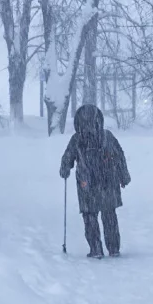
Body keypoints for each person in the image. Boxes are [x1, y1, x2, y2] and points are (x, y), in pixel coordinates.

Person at [59, 104, 131, 258]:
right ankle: (113, 248)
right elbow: (119, 156)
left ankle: (96, 249)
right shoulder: (107, 136)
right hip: (108, 183)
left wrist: (65, 169)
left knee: (90, 217)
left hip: (87, 185)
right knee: (109, 215)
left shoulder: (77, 139)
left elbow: (67, 158)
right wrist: (123, 176)